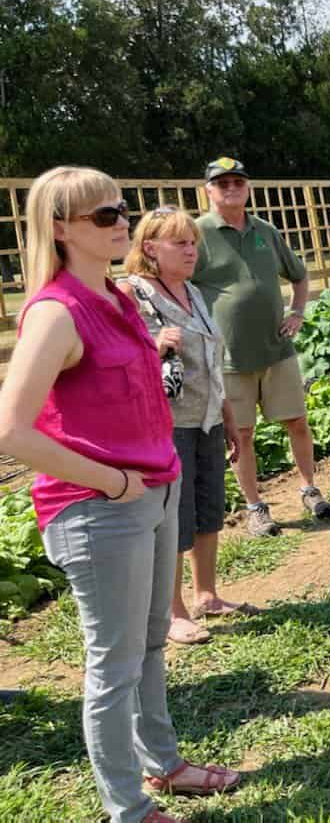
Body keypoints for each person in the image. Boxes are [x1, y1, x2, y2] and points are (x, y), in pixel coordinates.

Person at [0, 167, 241, 823]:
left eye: (121, 210)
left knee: (151, 642)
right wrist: (110, 481)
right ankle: (127, 807)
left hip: (152, 491)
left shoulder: (113, 297)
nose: (121, 223)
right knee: (114, 665)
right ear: (59, 228)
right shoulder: (55, 312)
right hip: (101, 509)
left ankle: (162, 765)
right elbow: (12, 430)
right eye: (104, 216)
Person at [121, 208, 252, 646]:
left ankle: (207, 595)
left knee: (208, 508)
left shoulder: (193, 293)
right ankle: (172, 612)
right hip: (166, 424)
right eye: (180, 243)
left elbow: (212, 363)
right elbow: (116, 357)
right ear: (149, 248)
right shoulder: (133, 293)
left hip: (208, 418)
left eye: (193, 242)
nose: (191, 250)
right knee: (173, 518)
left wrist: (229, 418)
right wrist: (152, 344)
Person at [191, 157, 330, 537]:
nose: (231, 188)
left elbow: (299, 277)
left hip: (277, 350)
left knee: (298, 422)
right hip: (229, 358)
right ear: (208, 191)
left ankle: (309, 489)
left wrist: (297, 313)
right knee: (243, 436)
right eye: (222, 184)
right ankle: (256, 508)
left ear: (248, 188)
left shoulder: (265, 230)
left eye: (238, 182)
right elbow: (176, 285)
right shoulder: (197, 233)